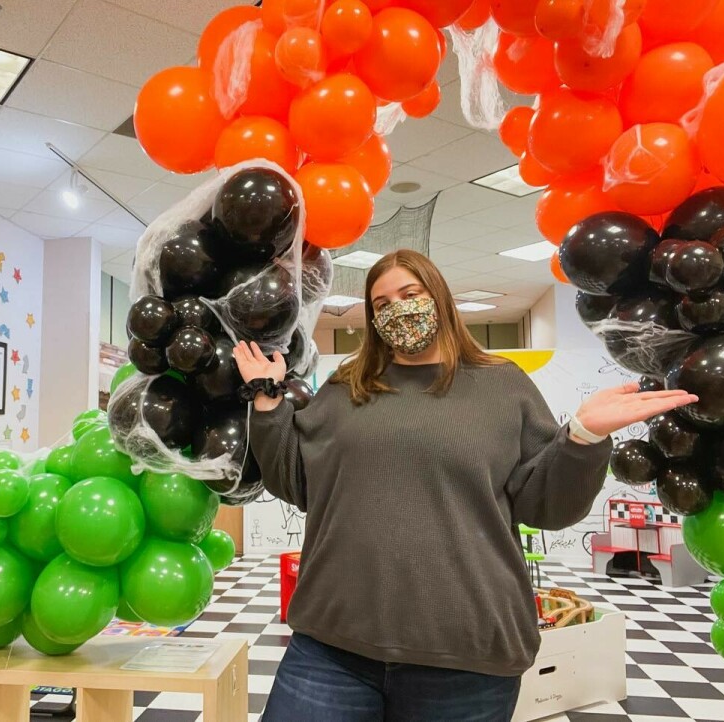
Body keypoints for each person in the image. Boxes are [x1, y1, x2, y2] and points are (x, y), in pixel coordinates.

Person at [232, 250, 697, 722]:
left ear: (439, 297)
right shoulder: (349, 386)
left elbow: (545, 507)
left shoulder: (502, 385)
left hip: (465, 655)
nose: (397, 309)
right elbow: (296, 480)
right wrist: (267, 401)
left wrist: (583, 437)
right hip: (331, 646)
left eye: (410, 294)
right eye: (382, 303)